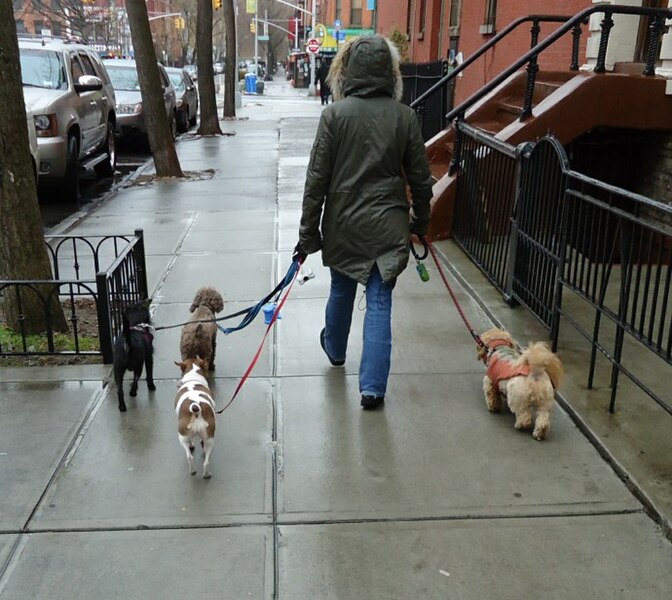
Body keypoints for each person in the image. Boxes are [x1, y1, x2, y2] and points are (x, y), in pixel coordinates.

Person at [295, 35, 433, 410]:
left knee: (341, 289)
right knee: (379, 301)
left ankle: (335, 350)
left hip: (343, 224)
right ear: (390, 73)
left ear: (348, 71)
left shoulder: (334, 116)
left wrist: (309, 234)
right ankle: (372, 388)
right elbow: (421, 179)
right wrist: (420, 221)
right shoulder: (404, 117)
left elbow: (316, 182)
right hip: (388, 225)